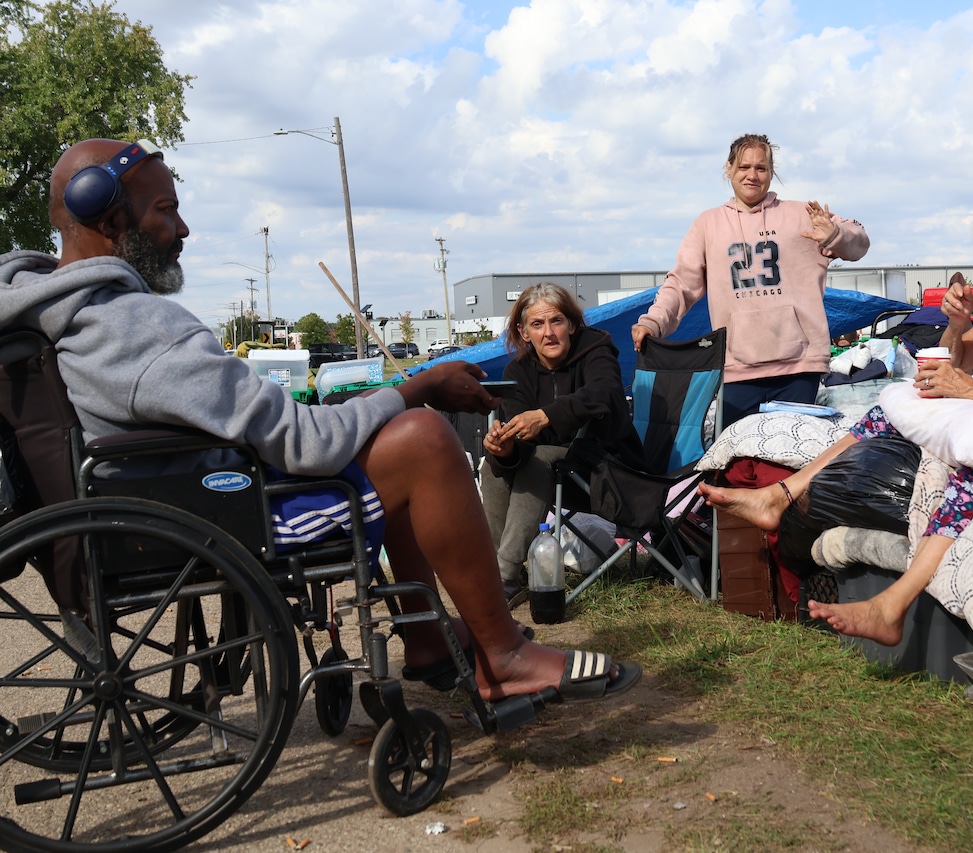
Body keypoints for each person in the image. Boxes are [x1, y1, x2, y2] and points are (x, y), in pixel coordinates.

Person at [0, 138, 639, 705]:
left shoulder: (57, 312)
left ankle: (427, 641)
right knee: (419, 440)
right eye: (166, 209)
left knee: (383, 436)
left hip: (157, 499)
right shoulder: (134, 327)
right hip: (216, 516)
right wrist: (417, 388)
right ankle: (504, 655)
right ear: (111, 220)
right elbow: (303, 442)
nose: (184, 227)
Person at [700, 203, 973, 645]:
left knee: (972, 468)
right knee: (890, 411)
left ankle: (893, 605)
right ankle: (779, 495)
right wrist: (956, 325)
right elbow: (952, 367)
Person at [631, 133, 871, 425]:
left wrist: (836, 235)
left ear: (771, 173)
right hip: (736, 368)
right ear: (729, 169)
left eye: (761, 168)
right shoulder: (708, 224)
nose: (752, 175)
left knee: (789, 456)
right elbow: (681, 284)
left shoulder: (801, 215)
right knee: (737, 462)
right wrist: (653, 322)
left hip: (798, 367)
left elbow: (859, 243)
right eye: (744, 167)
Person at [481, 282, 645, 604]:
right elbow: (522, 444)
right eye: (537, 325)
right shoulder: (519, 371)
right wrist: (506, 449)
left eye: (556, 321)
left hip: (607, 467)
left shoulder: (596, 348)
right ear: (524, 332)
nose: (549, 333)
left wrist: (546, 415)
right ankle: (503, 575)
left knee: (541, 458)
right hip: (558, 477)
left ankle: (504, 574)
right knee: (491, 467)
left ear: (571, 324)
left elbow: (605, 396)